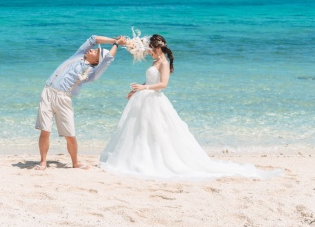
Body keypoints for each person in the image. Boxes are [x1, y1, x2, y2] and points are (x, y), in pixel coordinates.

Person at [99, 34, 281, 180]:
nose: (149, 52)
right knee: (140, 132)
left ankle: (157, 161)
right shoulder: (154, 62)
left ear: (158, 47)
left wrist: (144, 88)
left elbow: (163, 84)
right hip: (144, 98)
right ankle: (137, 158)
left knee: (158, 133)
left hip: (155, 99)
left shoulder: (164, 62)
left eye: (151, 49)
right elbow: (150, 80)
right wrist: (136, 90)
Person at [35, 33, 126, 170]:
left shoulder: (92, 73)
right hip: (48, 92)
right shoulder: (78, 54)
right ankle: (43, 162)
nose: (93, 49)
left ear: (97, 61)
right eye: (95, 49)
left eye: (96, 51)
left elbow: (108, 59)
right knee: (45, 130)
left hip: (64, 99)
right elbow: (93, 38)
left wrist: (117, 45)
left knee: (70, 135)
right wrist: (115, 40)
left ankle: (75, 162)